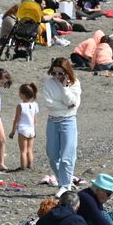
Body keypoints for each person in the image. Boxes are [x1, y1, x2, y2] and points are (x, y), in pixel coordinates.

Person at [40, 59, 82, 189]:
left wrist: (65, 87)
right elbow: (48, 104)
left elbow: (73, 102)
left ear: (67, 72)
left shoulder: (75, 84)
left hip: (68, 121)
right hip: (52, 120)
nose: (57, 76)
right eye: (54, 73)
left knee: (67, 157)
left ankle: (65, 186)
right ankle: (64, 181)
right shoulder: (49, 83)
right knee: (52, 156)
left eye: (60, 73)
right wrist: (65, 106)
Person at [9, 82, 39, 171]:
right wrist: (34, 130)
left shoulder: (20, 105)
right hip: (31, 130)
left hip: (23, 129)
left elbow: (16, 120)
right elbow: (35, 120)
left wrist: (13, 131)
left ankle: (22, 166)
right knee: (30, 149)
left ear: (23, 95)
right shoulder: (35, 105)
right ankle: (30, 165)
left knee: (23, 150)